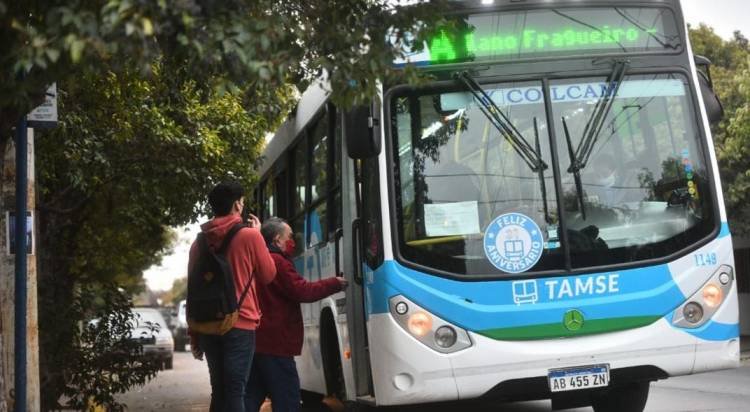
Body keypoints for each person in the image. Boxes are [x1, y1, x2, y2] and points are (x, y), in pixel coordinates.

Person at [189, 181, 277, 412]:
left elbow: (193, 292)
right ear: (237, 205)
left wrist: (194, 334)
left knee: (218, 389)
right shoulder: (250, 236)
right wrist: (259, 237)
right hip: (240, 321)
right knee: (236, 388)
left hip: (208, 324)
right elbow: (268, 275)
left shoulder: (198, 244)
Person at [245, 217, 348, 412]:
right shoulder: (277, 262)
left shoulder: (257, 260)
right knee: (287, 399)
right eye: (290, 237)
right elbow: (302, 291)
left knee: (251, 397)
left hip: (257, 341)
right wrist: (334, 283)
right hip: (276, 343)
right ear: (277, 239)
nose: (294, 241)